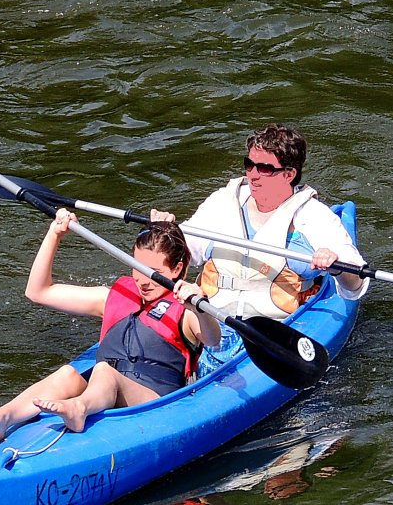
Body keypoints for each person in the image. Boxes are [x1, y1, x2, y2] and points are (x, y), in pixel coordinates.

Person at [0, 208, 220, 443]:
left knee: (103, 372)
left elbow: (212, 339)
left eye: (153, 271)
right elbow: (38, 291)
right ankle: (3, 418)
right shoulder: (111, 297)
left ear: (176, 269)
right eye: (137, 268)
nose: (143, 281)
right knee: (67, 375)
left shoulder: (186, 309)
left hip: (155, 401)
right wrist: (54, 234)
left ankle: (79, 408)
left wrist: (199, 306)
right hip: (105, 392)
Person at [151, 123, 369, 373]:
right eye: (249, 164)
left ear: (289, 174)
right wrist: (164, 233)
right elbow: (182, 255)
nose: (253, 174)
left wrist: (337, 266)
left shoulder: (314, 217)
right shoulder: (223, 201)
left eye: (264, 168)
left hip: (273, 329)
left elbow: (355, 286)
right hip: (209, 320)